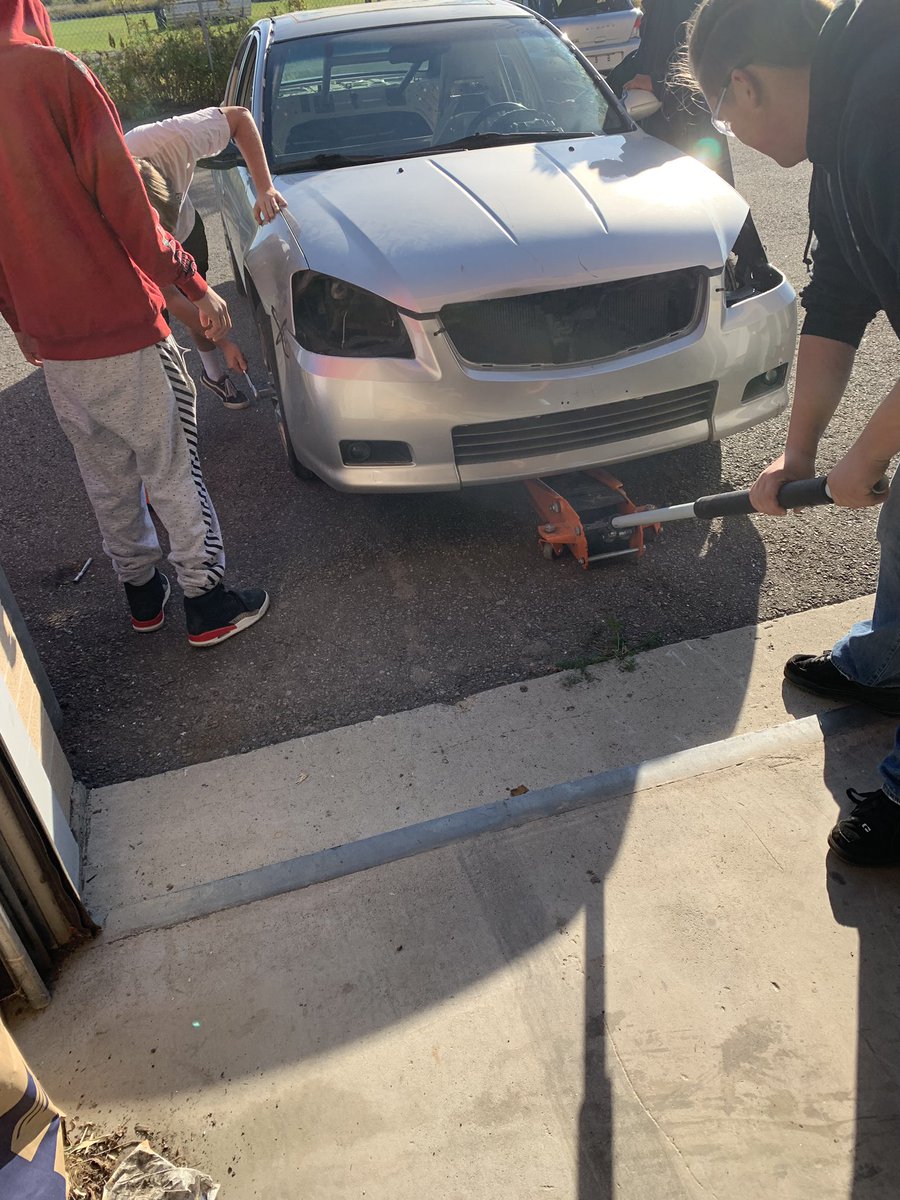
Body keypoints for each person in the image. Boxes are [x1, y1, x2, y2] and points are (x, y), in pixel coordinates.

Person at [685, 0, 900, 865]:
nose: (730, 131)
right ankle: (888, 663)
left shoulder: (883, 115)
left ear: (745, 84)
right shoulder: (841, 132)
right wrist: (801, 453)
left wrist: (867, 453)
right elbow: (839, 302)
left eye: (721, 113)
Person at [0, 0, 269, 648]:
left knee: (108, 478)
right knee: (173, 467)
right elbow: (128, 202)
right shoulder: (55, 74)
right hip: (124, 328)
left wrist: (21, 325)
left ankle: (143, 595)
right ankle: (208, 602)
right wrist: (194, 283)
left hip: (56, 347)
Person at [125, 106, 287, 410]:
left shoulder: (170, 139)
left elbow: (240, 117)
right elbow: (172, 296)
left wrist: (265, 188)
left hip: (186, 230)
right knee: (156, 320)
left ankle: (210, 373)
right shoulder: (111, 217)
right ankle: (193, 386)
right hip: (144, 247)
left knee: (201, 302)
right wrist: (225, 343)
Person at [607, 0, 734, 183]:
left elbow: (706, 62)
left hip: (690, 132)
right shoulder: (658, 6)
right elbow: (647, 55)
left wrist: (656, 83)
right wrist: (602, 86)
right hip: (661, 135)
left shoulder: (679, 5)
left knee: (703, 195)